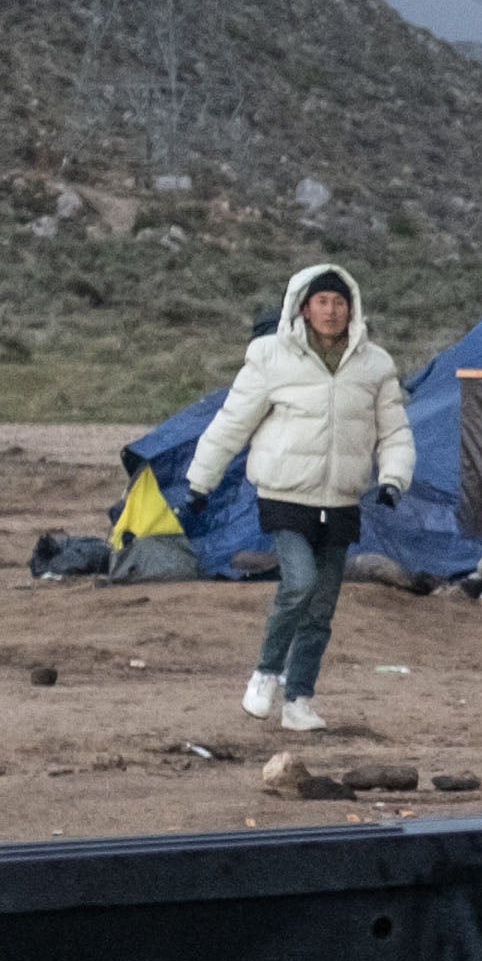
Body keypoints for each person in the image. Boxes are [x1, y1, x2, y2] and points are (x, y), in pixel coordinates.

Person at [190, 261, 412, 737]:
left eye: (339, 302)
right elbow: (233, 422)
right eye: (322, 302)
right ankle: (266, 674)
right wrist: (199, 483)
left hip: (341, 499)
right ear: (304, 308)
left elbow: (394, 430)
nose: (331, 311)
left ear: (351, 306)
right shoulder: (271, 356)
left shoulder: (375, 364)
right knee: (300, 582)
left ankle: (299, 700)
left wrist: (394, 478)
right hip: (285, 494)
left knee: (323, 607)